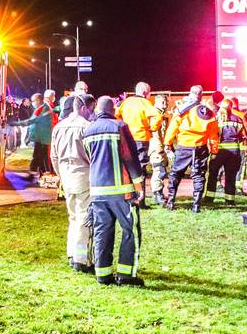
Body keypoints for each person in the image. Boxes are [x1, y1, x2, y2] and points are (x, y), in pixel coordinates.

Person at [81, 96, 147, 286]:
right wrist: (139, 185)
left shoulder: (88, 130)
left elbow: (89, 157)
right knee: (130, 232)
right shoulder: (119, 126)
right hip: (122, 192)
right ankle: (126, 275)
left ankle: (102, 274)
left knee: (102, 231)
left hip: (97, 191)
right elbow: (130, 157)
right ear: (113, 109)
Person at [51, 93, 95, 273]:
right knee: (84, 218)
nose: (92, 113)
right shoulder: (87, 127)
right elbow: (93, 155)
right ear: (83, 108)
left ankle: (71, 254)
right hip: (84, 175)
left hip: (66, 175)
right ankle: (81, 259)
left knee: (73, 217)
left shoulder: (59, 127)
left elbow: (54, 156)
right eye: (90, 109)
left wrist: (60, 174)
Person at [163, 87, 216, 212]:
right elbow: (213, 134)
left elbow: (173, 128)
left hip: (184, 147)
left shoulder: (182, 109)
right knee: (199, 176)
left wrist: (167, 143)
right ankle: (196, 205)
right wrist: (214, 150)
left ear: (190, 94)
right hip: (200, 148)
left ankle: (171, 201)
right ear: (201, 96)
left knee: (176, 173)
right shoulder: (207, 112)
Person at [115, 82, 160, 208]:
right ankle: (140, 200)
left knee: (127, 169)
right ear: (146, 93)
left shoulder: (126, 102)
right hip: (141, 138)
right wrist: (151, 128)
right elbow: (158, 116)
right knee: (140, 170)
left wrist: (122, 127)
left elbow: (116, 114)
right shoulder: (146, 103)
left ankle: (128, 198)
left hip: (126, 138)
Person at [207, 98, 246, 205]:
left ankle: (209, 199)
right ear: (231, 107)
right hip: (234, 152)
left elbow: (213, 135)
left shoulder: (217, 119)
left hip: (220, 151)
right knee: (231, 176)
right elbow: (243, 136)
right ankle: (230, 200)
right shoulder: (238, 119)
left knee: (213, 174)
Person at [11, 92, 54, 178]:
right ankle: (43, 173)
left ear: (38, 100)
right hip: (40, 137)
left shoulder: (44, 109)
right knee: (41, 156)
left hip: (42, 137)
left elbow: (32, 120)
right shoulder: (41, 108)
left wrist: (16, 123)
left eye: (33, 101)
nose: (32, 103)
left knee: (38, 156)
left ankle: (34, 172)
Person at [146, 94, 171, 207]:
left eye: (166, 103)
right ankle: (157, 194)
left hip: (160, 147)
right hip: (156, 147)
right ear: (156, 102)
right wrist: (160, 148)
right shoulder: (154, 114)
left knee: (162, 170)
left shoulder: (161, 114)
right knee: (158, 170)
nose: (165, 105)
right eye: (162, 103)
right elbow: (154, 132)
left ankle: (159, 192)